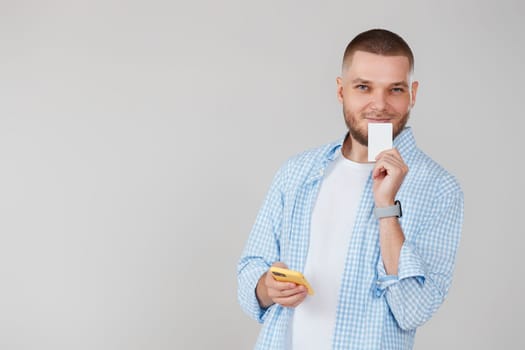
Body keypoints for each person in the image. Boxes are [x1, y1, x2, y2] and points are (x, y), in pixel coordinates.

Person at [237, 28, 464, 350]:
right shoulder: (297, 172)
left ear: (412, 93)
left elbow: (413, 310)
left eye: (395, 90)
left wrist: (387, 208)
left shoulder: (439, 188)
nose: (379, 105)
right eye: (364, 87)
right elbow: (251, 269)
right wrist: (266, 287)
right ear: (341, 91)